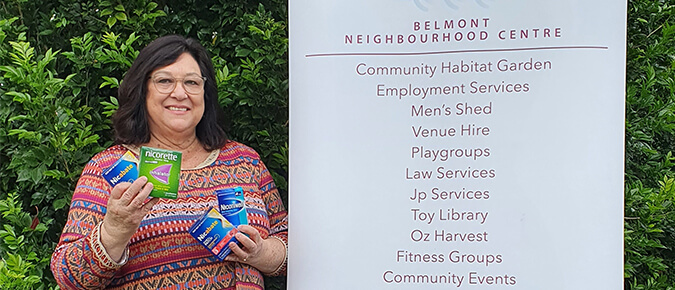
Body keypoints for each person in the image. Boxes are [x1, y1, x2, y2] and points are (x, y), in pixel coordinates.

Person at [50, 35, 288, 289]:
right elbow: (68, 276)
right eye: (165, 81)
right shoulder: (109, 167)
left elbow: (292, 246)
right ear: (143, 91)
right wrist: (114, 231)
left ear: (205, 93)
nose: (180, 93)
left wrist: (260, 253)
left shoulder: (244, 160)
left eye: (191, 82)